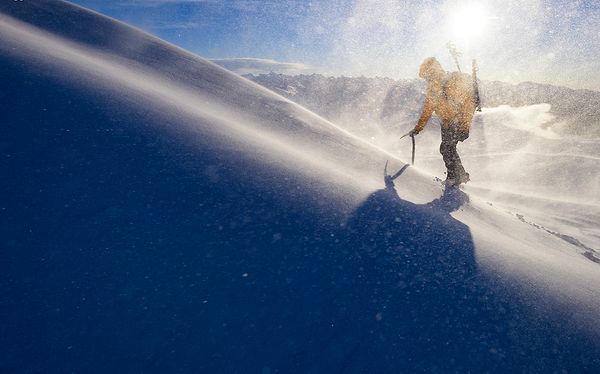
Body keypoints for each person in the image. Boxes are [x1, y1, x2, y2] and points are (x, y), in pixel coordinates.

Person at [408, 57, 476, 187]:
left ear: (431, 71)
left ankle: (454, 177)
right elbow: (428, 110)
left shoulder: (450, 82)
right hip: (447, 123)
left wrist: (464, 126)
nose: (427, 79)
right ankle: (459, 175)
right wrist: (418, 128)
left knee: (446, 148)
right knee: (448, 148)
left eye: (428, 75)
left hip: (455, 123)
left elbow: (468, 103)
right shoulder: (433, 87)